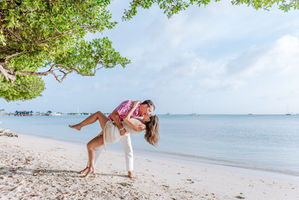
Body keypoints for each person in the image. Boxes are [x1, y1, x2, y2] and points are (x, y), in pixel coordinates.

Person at [69, 100, 159, 178]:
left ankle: (129, 170)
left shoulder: (141, 123)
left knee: (98, 114)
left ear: (149, 120)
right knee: (93, 146)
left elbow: (127, 119)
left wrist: (134, 107)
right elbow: (117, 115)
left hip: (117, 131)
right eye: (149, 111)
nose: (148, 113)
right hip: (116, 129)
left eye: (150, 114)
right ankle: (90, 167)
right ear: (144, 105)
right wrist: (122, 127)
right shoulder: (132, 108)